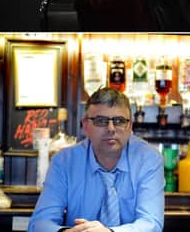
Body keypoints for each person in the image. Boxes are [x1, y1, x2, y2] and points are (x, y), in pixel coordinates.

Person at [28, 88, 164, 232]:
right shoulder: (64, 161)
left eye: (119, 121)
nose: (111, 128)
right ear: (85, 126)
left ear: (130, 127)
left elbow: (151, 224)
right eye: (101, 121)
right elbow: (39, 223)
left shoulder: (149, 159)